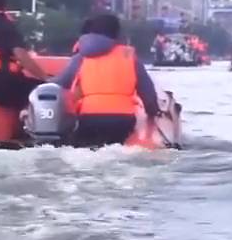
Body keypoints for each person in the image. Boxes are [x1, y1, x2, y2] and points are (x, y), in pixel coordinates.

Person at [54, 13, 160, 146]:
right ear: (116, 33)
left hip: (89, 118)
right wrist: (153, 112)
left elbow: (60, 84)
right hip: (123, 119)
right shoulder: (128, 55)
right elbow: (147, 90)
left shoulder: (81, 57)